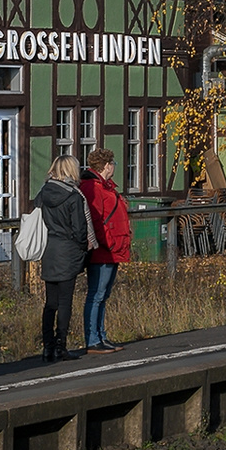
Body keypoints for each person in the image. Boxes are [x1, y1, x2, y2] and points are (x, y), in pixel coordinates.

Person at [32, 155, 96, 362]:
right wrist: (81, 249)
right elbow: (80, 230)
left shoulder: (43, 193)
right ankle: (61, 346)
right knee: (65, 301)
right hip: (68, 250)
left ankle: (47, 346)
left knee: (50, 302)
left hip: (49, 249)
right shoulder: (74, 196)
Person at [78, 148, 132, 354]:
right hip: (104, 249)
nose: (114, 168)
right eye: (113, 164)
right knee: (97, 294)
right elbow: (96, 220)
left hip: (112, 248)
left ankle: (100, 335)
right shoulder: (94, 187)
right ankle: (93, 338)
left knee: (103, 294)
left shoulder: (104, 186)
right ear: (107, 166)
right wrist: (109, 242)